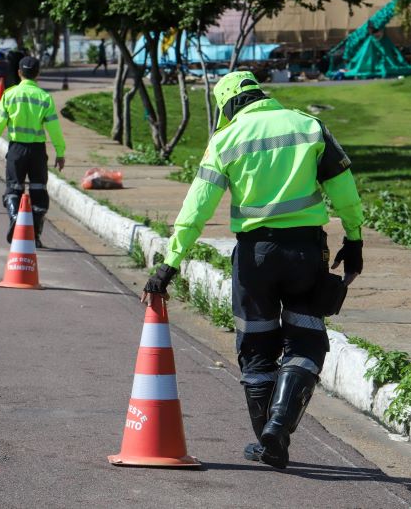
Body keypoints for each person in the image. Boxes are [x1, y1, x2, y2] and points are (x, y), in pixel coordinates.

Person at [140, 71, 364, 469]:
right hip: (305, 253)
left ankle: (267, 440)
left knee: (257, 348)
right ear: (261, 93)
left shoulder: (226, 140)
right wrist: (354, 238)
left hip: (254, 258)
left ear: (227, 105)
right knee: (306, 341)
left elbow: (196, 209)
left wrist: (170, 264)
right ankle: (278, 427)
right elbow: (343, 186)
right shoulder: (308, 126)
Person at [0, 56, 66, 248]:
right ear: (38, 74)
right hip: (37, 151)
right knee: (39, 192)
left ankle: (15, 217)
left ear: (19, 73)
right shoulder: (44, 97)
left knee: (13, 188)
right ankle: (35, 236)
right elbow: (54, 128)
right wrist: (60, 151)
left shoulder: (9, 95)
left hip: (16, 150)